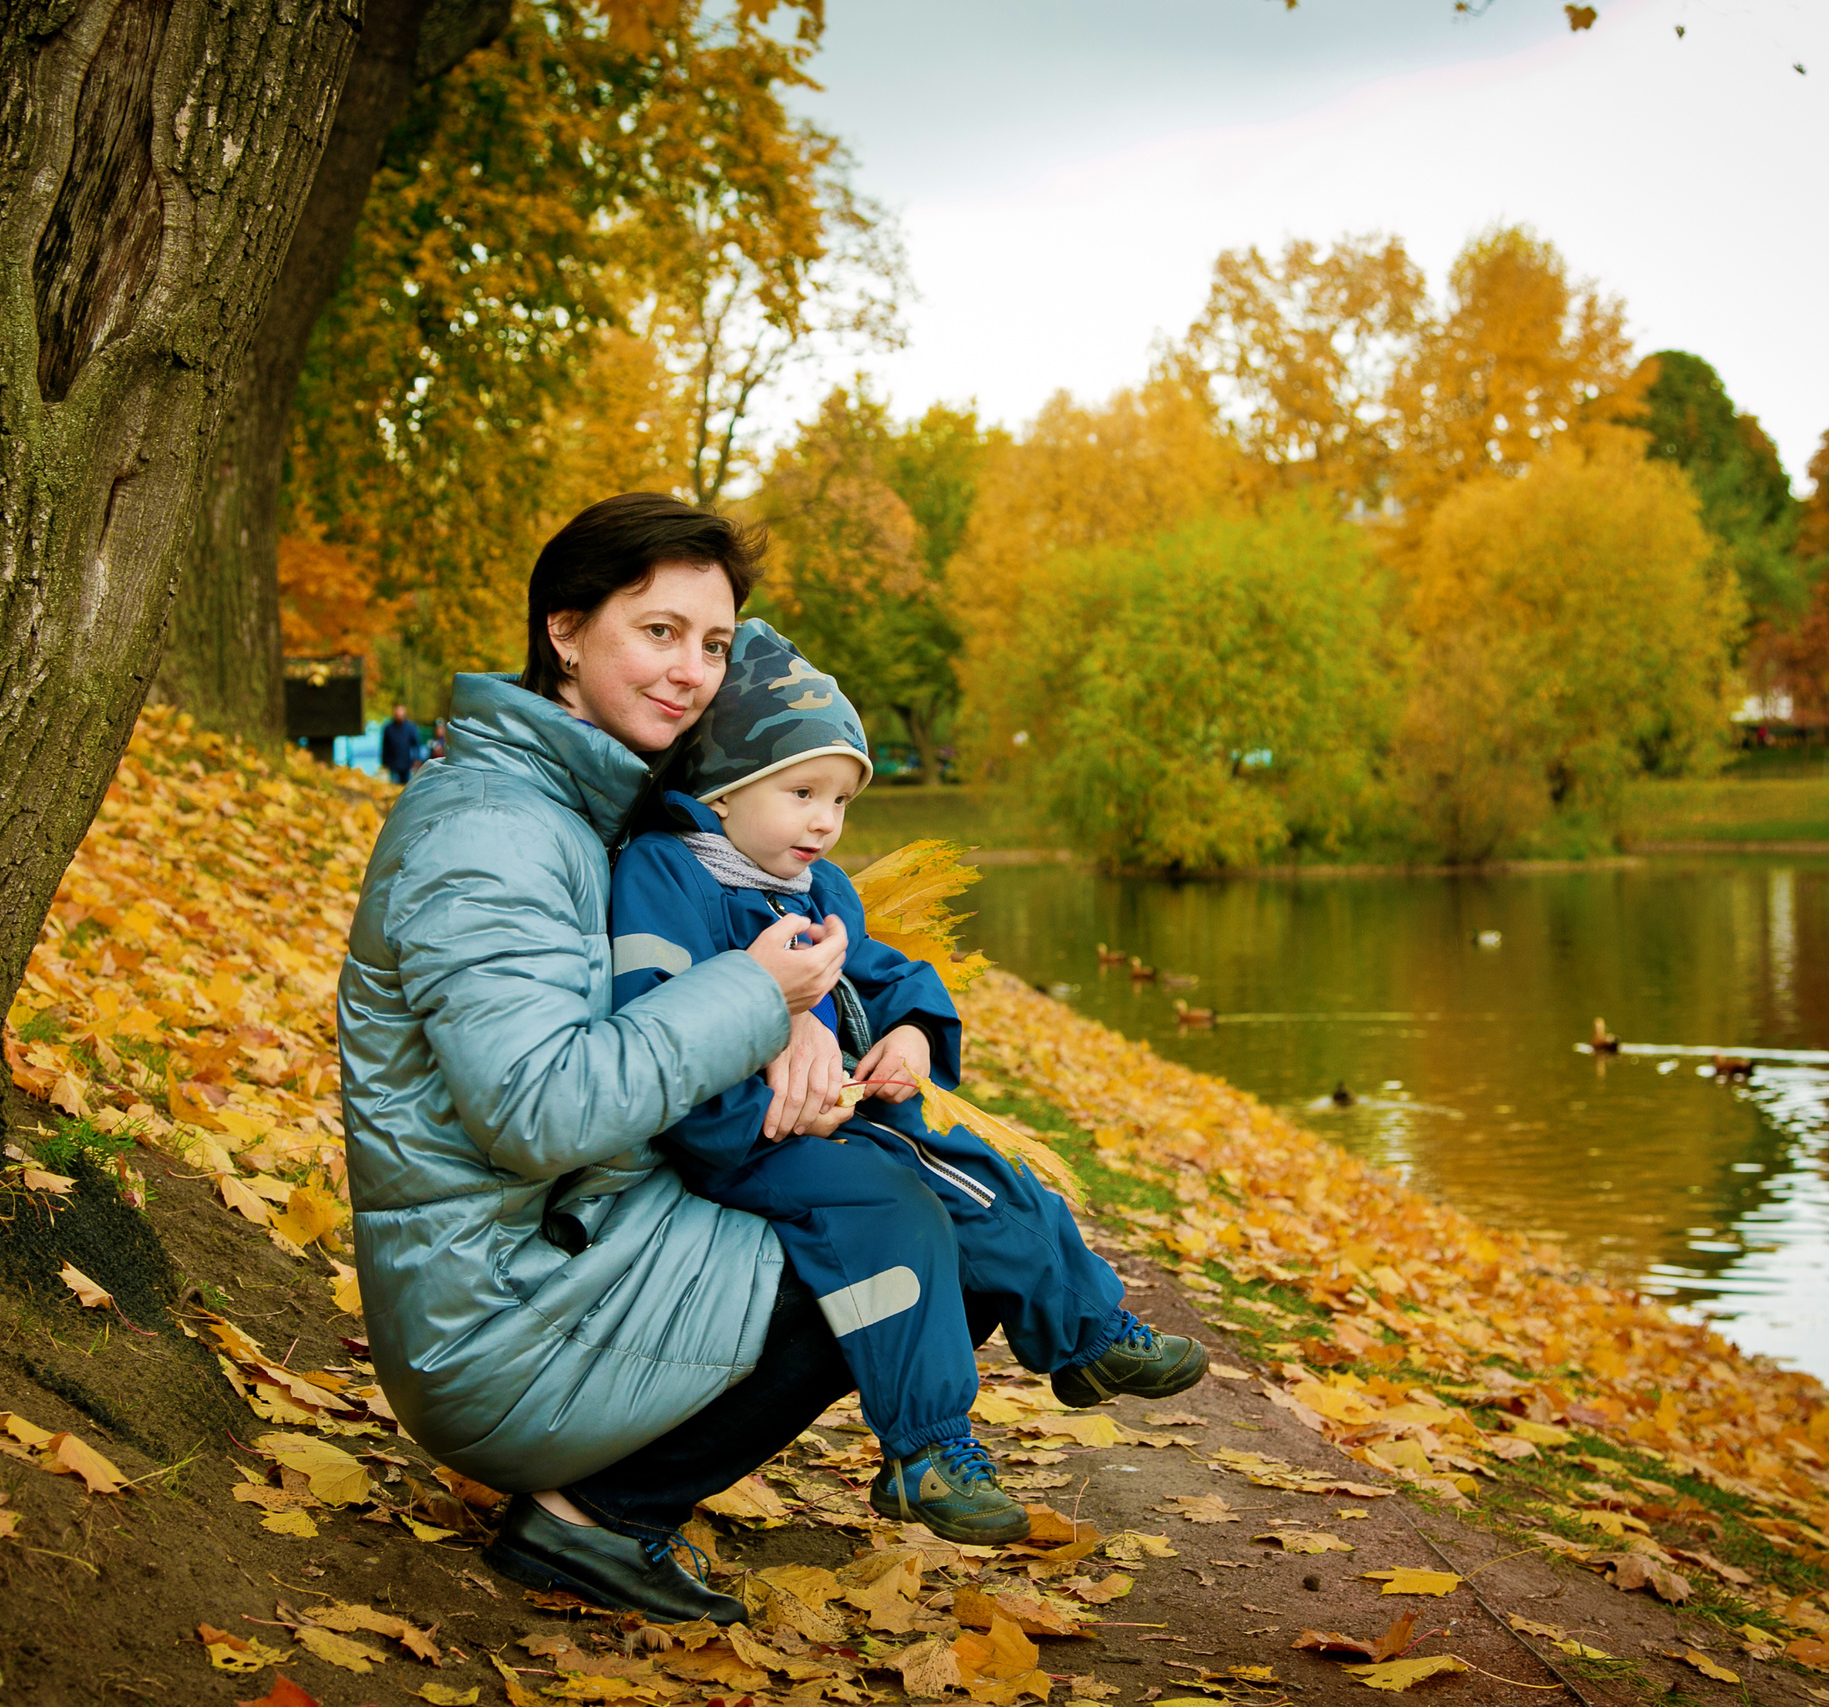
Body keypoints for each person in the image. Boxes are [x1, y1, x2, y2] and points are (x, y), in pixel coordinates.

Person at [339, 493, 938, 1627]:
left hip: (578, 1237)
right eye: (656, 631)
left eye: (712, 644)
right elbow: (539, 1110)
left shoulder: (590, 799)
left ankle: (623, 1501)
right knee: (909, 1226)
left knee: (936, 1203)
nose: (692, 671)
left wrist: (804, 1017)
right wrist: (762, 994)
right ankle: (598, 1522)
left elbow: (694, 993)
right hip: (502, 1316)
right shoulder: (491, 833)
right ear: (564, 630)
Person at [607, 620, 1207, 1545]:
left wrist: (917, 1035)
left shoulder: (816, 887)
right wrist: (766, 1059)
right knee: (909, 1204)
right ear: (722, 791)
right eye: (802, 792)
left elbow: (888, 975)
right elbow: (655, 1009)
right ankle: (933, 1441)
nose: (823, 822)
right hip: (741, 1128)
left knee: (987, 1176)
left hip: (839, 1116)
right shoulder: (669, 874)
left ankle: (1076, 1338)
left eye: (840, 801)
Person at [378, 702, 426, 784]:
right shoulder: (388, 728)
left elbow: (416, 745)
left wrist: (417, 759)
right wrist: (384, 762)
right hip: (393, 764)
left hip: (407, 764)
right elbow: (384, 747)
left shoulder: (410, 727)